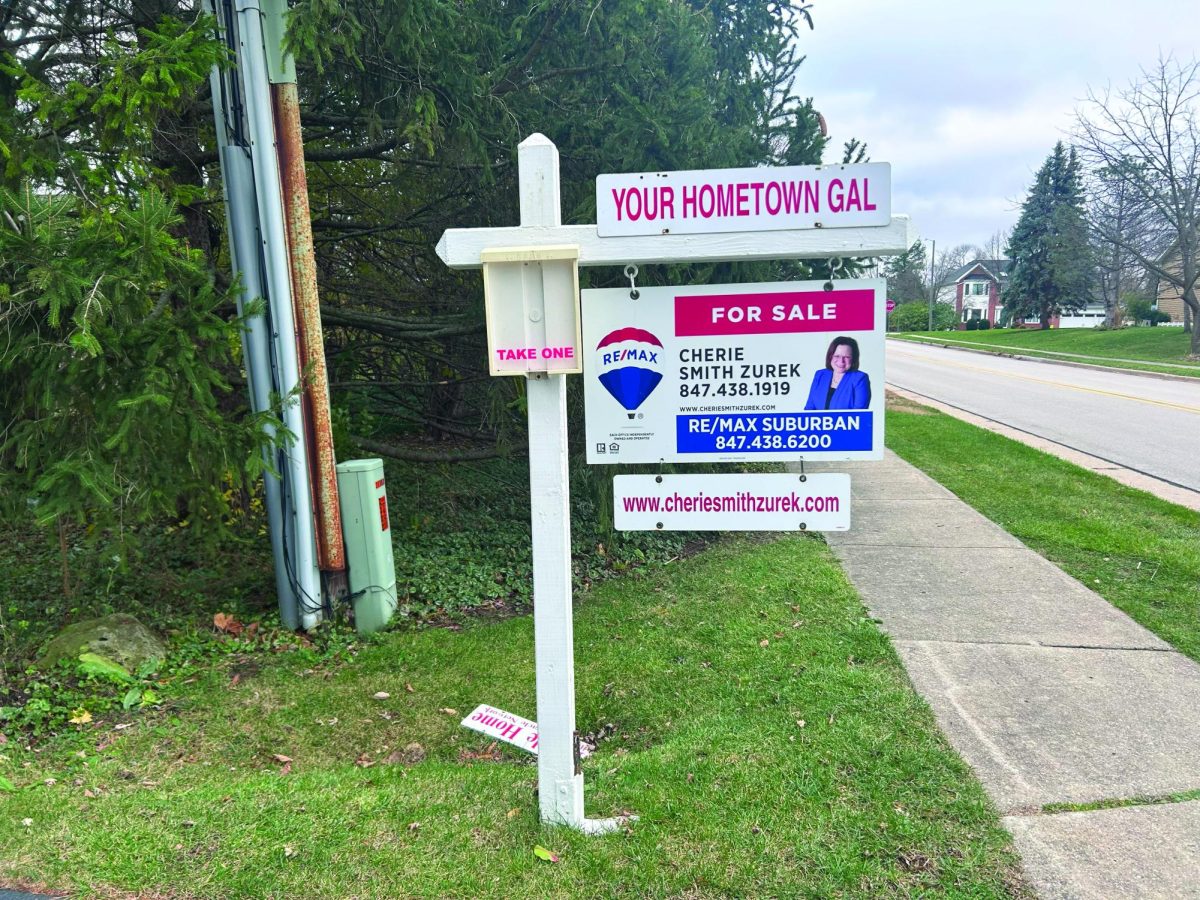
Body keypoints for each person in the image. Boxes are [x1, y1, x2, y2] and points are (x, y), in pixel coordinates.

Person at [804, 336, 871, 410]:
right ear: (830, 356)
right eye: (837, 356)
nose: (841, 361)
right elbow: (809, 409)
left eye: (847, 357)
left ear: (853, 359)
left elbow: (860, 415)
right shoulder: (820, 375)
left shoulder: (860, 379)